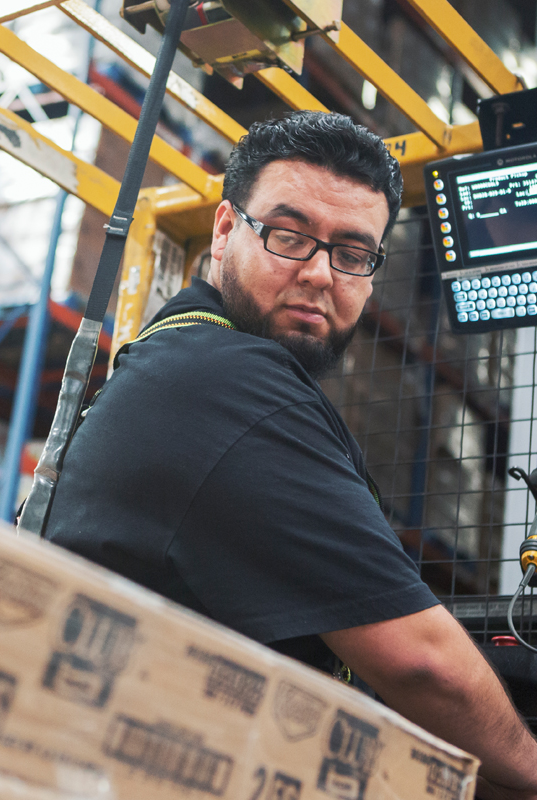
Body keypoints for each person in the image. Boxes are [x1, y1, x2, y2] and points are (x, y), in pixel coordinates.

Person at [44, 111, 537, 797]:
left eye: (353, 253)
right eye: (288, 235)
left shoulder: (175, 357)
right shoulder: (227, 384)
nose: (319, 274)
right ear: (224, 231)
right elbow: (427, 669)